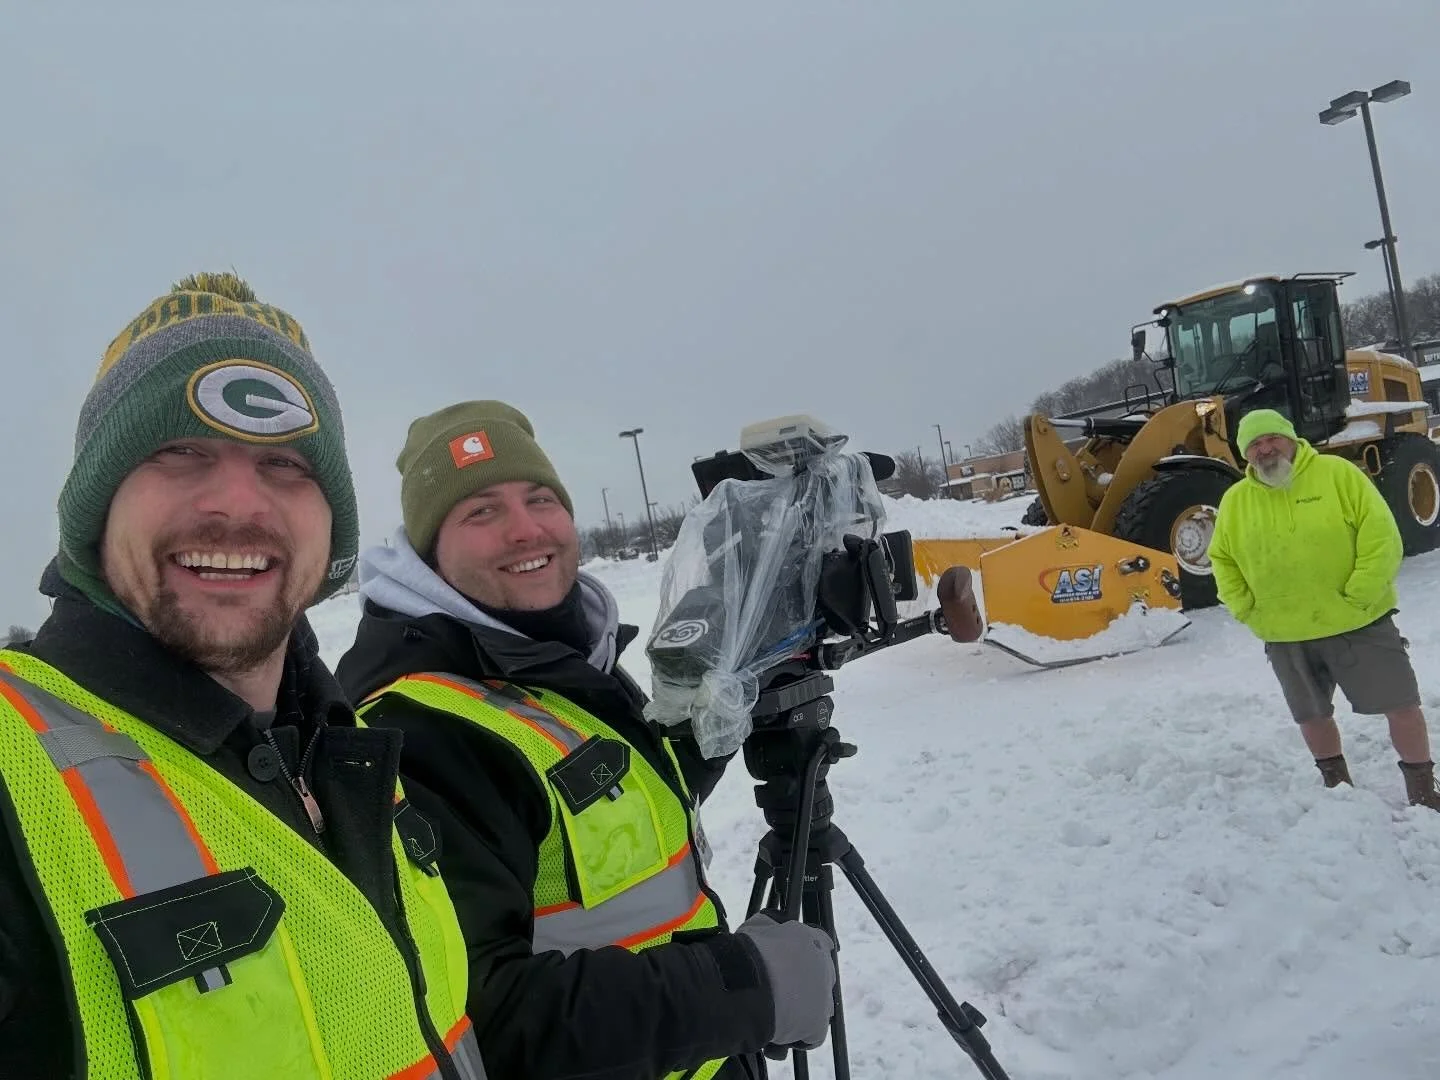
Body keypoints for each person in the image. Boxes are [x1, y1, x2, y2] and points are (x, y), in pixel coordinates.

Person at [0, 274, 486, 1079]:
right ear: (95, 507)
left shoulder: (346, 749)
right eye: (179, 451)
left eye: (286, 463)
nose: (236, 502)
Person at [336, 400, 839, 1080]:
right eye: (481, 511)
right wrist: (743, 985)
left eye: (540, 498)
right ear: (430, 551)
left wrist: (721, 711)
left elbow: (602, 820)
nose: (525, 529)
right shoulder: (420, 731)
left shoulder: (549, 659)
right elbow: (487, 1023)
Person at [1208, 407, 1440, 811]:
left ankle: (1423, 791)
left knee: (1402, 705)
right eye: (1255, 444)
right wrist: (1246, 608)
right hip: (1284, 632)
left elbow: (1381, 535)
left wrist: (1360, 593)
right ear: (1246, 453)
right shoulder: (1235, 501)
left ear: (1291, 439)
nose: (1265, 449)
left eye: (1272, 439)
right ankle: (1339, 790)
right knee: (1310, 715)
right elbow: (1222, 559)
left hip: (1359, 620)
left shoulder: (1337, 474)